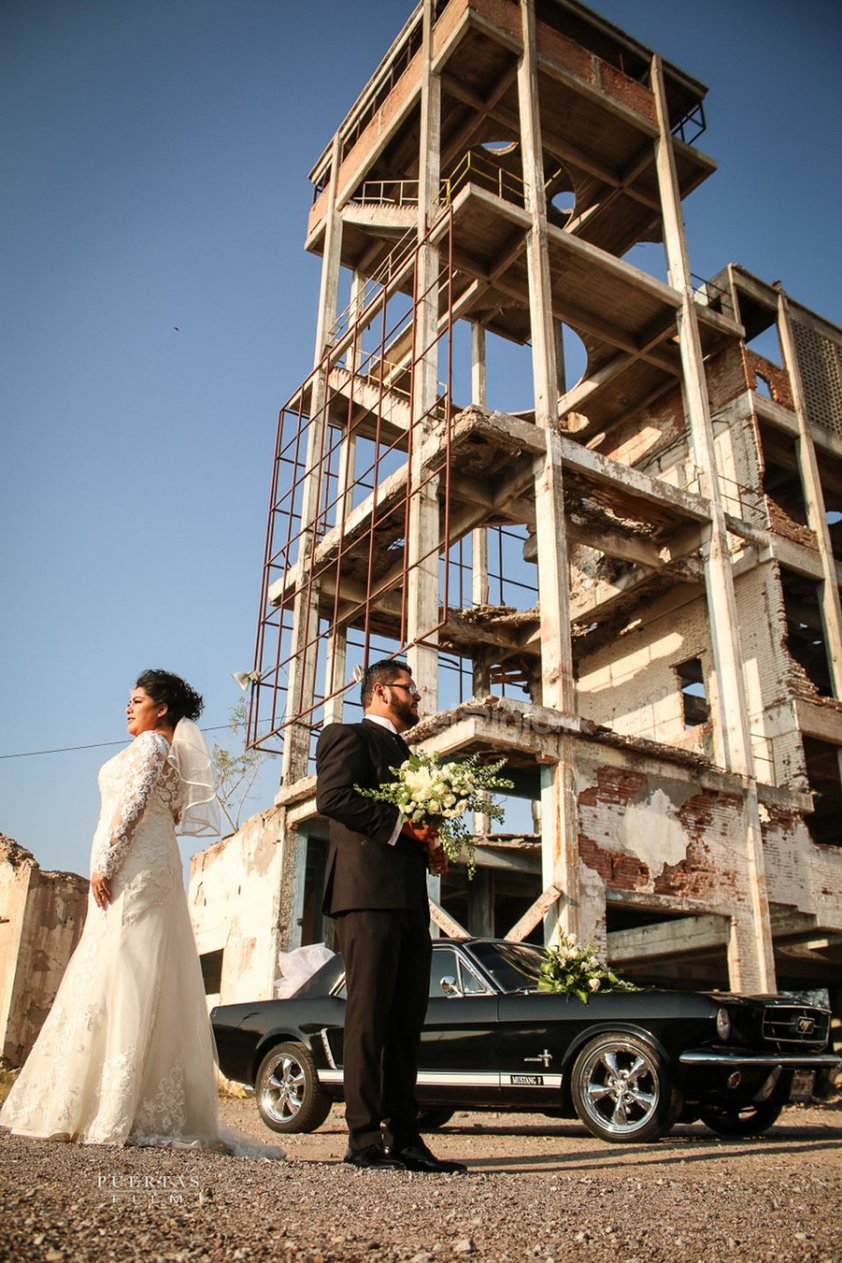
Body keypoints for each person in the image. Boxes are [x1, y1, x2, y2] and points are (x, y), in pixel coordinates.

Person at [1, 670, 228, 1148]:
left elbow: (133, 804)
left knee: (123, 966)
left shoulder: (151, 747)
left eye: (137, 700)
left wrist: (105, 861)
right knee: (135, 968)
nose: (128, 708)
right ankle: (116, 1097)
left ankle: (108, 1105)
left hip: (135, 866)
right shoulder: (173, 753)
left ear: (161, 708)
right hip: (155, 862)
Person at [316, 659, 466, 1174]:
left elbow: (416, 825)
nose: (417, 697)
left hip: (408, 899)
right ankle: (362, 1139)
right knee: (368, 1017)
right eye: (410, 689)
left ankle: (406, 1137)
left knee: (406, 1021)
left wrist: (431, 848)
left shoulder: (412, 755)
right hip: (365, 896)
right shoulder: (347, 735)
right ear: (382, 691)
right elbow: (333, 797)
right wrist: (405, 828)